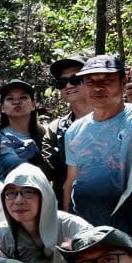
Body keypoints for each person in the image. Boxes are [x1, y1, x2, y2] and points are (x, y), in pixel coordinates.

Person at [63, 54, 132, 236]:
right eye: (90, 82)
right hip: (85, 233)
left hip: (131, 234)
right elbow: (71, 181)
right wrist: (67, 227)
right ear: (82, 86)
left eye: (107, 80)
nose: (98, 87)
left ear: (124, 82)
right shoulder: (75, 130)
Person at [0, 80, 56, 182]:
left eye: (23, 97)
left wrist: (36, 156)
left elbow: (58, 173)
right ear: (2, 108)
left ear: (33, 105)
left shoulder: (47, 135)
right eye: (10, 99)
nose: (16, 102)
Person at [46, 54, 89, 200]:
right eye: (62, 82)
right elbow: (48, 170)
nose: (69, 86)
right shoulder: (55, 129)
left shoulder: (118, 119)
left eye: (76, 79)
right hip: (68, 205)